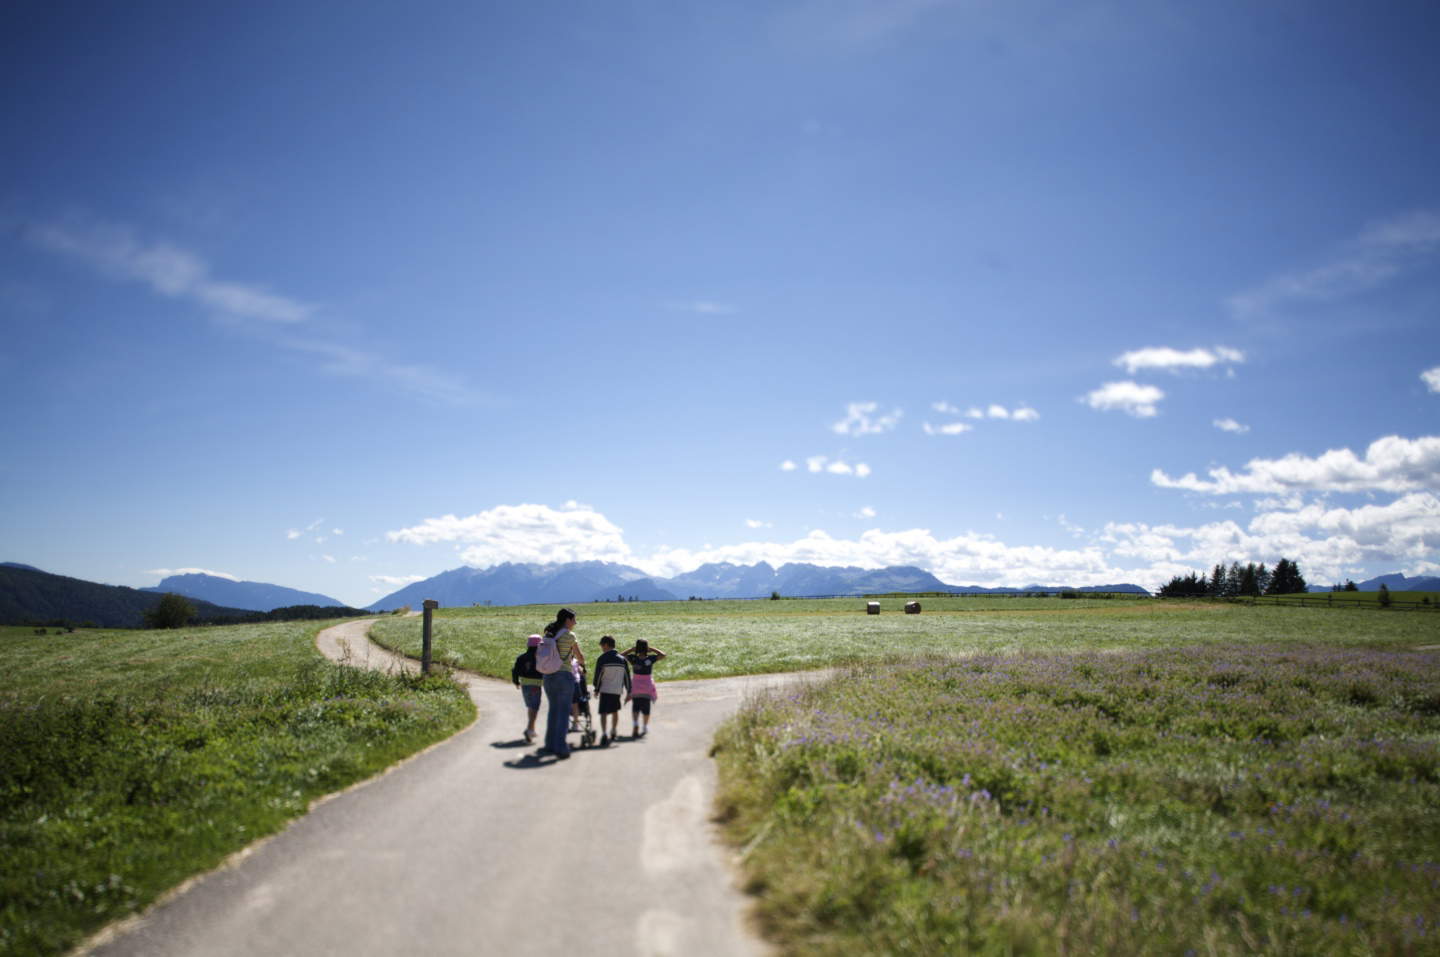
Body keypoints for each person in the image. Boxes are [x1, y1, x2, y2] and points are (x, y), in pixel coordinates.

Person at [540, 608, 583, 759]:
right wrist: (581, 663)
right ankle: (561, 747)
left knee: (553, 710)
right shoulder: (569, 636)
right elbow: (580, 657)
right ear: (567, 620)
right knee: (564, 712)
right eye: (574, 620)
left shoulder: (549, 633)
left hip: (548, 675)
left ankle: (549, 744)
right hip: (564, 675)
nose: (575, 623)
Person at [622, 638, 665, 738]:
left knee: (636, 706)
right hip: (647, 685)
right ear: (646, 648)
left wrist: (631, 649)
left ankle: (635, 724)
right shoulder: (650, 659)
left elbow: (620, 655)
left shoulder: (633, 658)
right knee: (646, 707)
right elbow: (663, 655)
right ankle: (645, 726)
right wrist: (652, 649)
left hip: (636, 685)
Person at [592, 635, 631, 747]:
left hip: (605, 689)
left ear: (606, 645)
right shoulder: (622, 660)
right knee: (615, 711)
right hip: (617, 690)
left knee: (603, 712)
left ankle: (604, 733)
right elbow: (627, 677)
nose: (601, 648)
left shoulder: (602, 658)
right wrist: (629, 691)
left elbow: (598, 676)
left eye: (602, 646)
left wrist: (596, 688)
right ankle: (613, 730)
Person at [510, 634, 544, 744]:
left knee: (530, 706)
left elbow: (515, 670)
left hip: (524, 684)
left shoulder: (521, 657)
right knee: (535, 707)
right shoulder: (540, 657)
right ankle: (529, 729)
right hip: (536, 684)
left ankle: (532, 729)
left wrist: (516, 681)